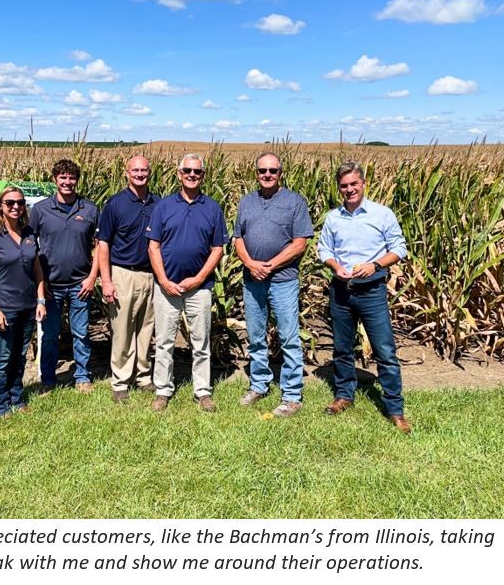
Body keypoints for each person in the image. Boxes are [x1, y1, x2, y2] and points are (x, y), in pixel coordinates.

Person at [318, 161, 411, 434]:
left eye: (353, 184)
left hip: (372, 290)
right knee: (342, 348)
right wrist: (335, 267)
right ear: (339, 188)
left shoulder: (382, 214)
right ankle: (344, 395)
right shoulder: (333, 217)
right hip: (341, 291)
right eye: (344, 186)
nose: (349, 190)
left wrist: (375, 265)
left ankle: (395, 409)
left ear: (363, 183)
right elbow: (324, 249)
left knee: (385, 351)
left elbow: (399, 248)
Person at [146, 153, 228, 412]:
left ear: (203, 175)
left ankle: (202, 391)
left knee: (200, 340)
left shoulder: (212, 208)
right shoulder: (164, 206)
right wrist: (164, 280)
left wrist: (199, 278)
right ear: (179, 174)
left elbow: (217, 249)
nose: (192, 175)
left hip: (200, 289)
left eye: (197, 172)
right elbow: (153, 247)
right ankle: (163, 389)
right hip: (166, 287)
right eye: (188, 171)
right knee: (164, 341)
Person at [233, 152, 314, 418]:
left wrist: (270, 265)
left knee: (288, 337)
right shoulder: (246, 202)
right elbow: (238, 240)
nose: (267, 175)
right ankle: (259, 385)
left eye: (273, 171)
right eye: (262, 171)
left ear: (281, 173)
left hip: (283, 281)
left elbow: (300, 243)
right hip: (252, 280)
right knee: (256, 337)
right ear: (255, 173)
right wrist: (251, 264)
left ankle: (292, 395)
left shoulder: (294, 202)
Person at [29, 159, 100, 393]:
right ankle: (48, 379)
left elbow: (99, 246)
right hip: (50, 284)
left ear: (77, 181)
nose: (67, 182)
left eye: (72, 178)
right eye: (63, 178)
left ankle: (82, 376)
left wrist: (92, 278)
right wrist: (41, 283)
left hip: (80, 283)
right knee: (49, 335)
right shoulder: (40, 210)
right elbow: (31, 247)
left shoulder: (89, 209)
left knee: (81, 332)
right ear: (55, 180)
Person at [0, 186, 46, 417]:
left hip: (27, 307)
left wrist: (40, 300)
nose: (15, 207)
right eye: (10, 203)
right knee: (3, 356)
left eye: (20, 202)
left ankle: (17, 397)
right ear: (1, 206)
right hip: (3, 308)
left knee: (19, 356)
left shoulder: (28, 234)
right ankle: (1, 404)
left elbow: (37, 271)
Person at [98, 155, 160, 403]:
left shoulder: (158, 204)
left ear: (150, 172)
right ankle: (121, 380)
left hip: (150, 275)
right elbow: (103, 244)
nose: (140, 174)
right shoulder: (115, 204)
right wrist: (107, 280)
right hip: (122, 273)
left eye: (144, 170)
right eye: (135, 170)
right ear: (126, 173)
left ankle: (143, 377)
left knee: (146, 330)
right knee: (122, 329)